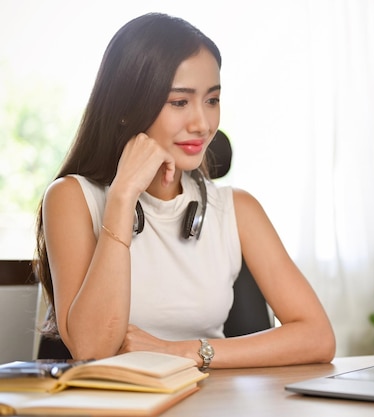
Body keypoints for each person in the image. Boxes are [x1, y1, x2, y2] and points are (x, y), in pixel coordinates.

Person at [34, 12, 335, 369]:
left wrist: (179, 351)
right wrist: (123, 196)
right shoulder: (71, 198)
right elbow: (92, 349)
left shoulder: (236, 208)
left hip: (215, 401)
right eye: (179, 102)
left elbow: (318, 336)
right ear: (127, 109)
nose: (202, 124)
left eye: (212, 100)